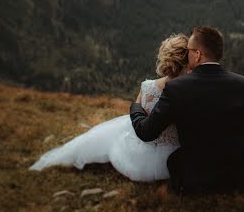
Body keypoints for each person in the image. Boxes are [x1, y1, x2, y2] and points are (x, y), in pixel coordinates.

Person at [130, 25, 244, 194]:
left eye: (189, 50)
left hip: (193, 180)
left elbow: (146, 132)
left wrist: (136, 106)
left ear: (197, 55)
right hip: (242, 176)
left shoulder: (175, 88)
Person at [29, 34, 189, 181]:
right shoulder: (189, 91)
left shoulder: (147, 87)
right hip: (171, 160)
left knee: (119, 127)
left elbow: (137, 113)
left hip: (139, 160)